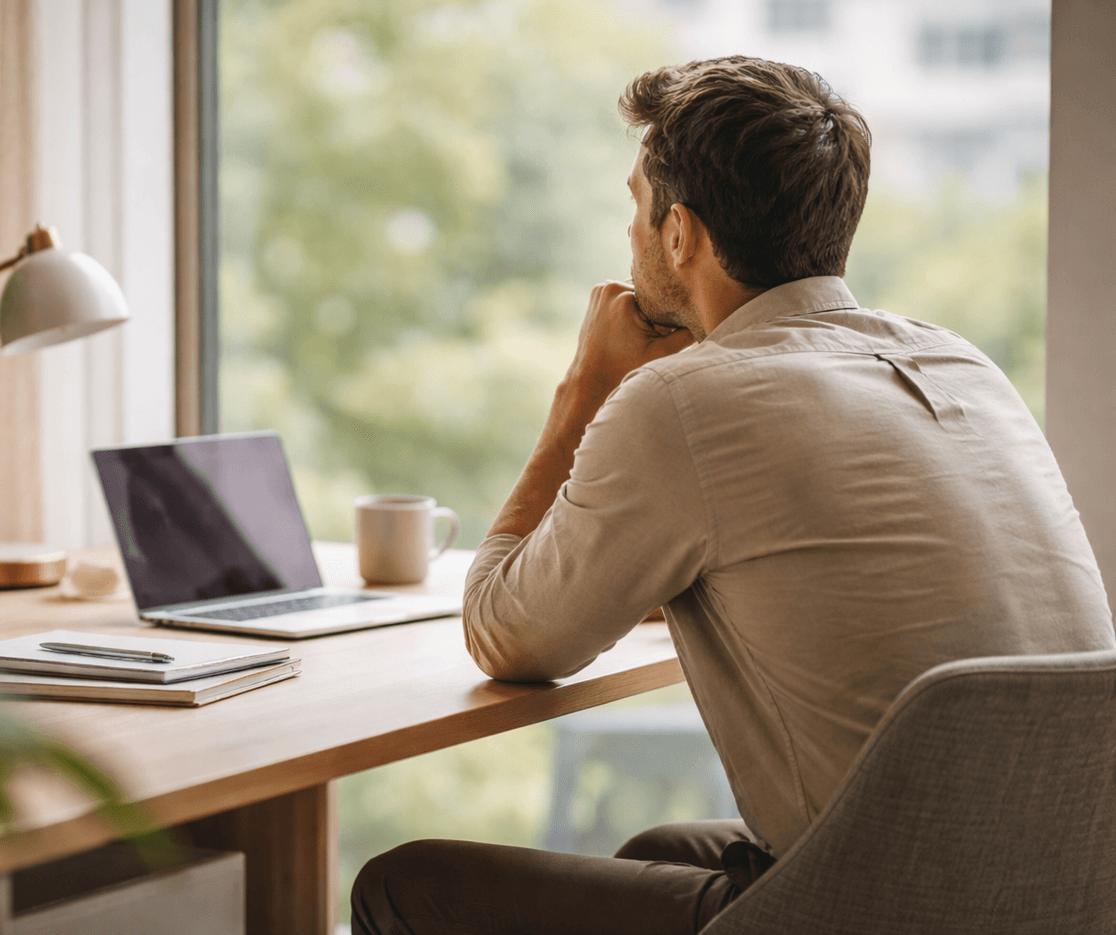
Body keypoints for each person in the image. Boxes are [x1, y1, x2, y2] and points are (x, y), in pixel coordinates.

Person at [351, 56, 1115, 935]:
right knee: (663, 852)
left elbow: (505, 633)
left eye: (636, 206)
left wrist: (583, 391)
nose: (630, 234)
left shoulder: (683, 402)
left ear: (679, 234)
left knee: (400, 884)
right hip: (1072, 892)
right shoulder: (963, 363)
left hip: (880, 913)